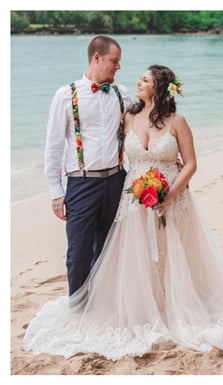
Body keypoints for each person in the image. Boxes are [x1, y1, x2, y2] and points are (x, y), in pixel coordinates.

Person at [24, 64, 223, 360]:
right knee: (138, 254)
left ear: (158, 87)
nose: (137, 81)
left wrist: (169, 194)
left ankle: (173, 306)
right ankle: (139, 306)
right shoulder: (129, 116)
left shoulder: (178, 121)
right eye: (139, 78)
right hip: (133, 198)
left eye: (144, 80)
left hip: (171, 198)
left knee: (172, 253)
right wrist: (64, 181)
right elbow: (98, 136)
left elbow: (192, 163)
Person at [44, 35, 131, 300]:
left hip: (118, 180)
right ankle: (77, 306)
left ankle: (103, 304)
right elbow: (54, 146)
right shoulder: (65, 95)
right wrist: (56, 192)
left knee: (108, 248)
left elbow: (142, 128)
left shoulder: (122, 93)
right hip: (82, 183)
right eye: (114, 61)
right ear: (97, 57)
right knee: (78, 252)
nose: (118, 67)